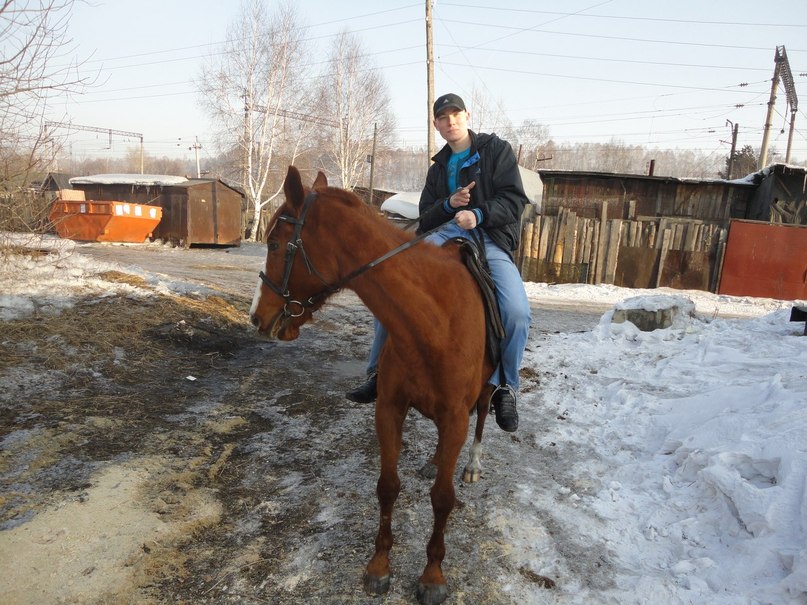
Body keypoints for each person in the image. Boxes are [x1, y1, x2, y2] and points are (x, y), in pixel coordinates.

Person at [346, 92, 532, 432]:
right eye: (443, 118)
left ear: (467, 116)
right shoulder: (438, 168)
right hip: (443, 234)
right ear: (436, 124)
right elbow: (426, 217)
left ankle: (506, 385)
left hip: (489, 237)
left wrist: (478, 213)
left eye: (456, 115)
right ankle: (379, 371)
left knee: (518, 312)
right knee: (392, 286)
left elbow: (513, 200)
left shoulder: (495, 151)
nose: (450, 122)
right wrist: (449, 204)